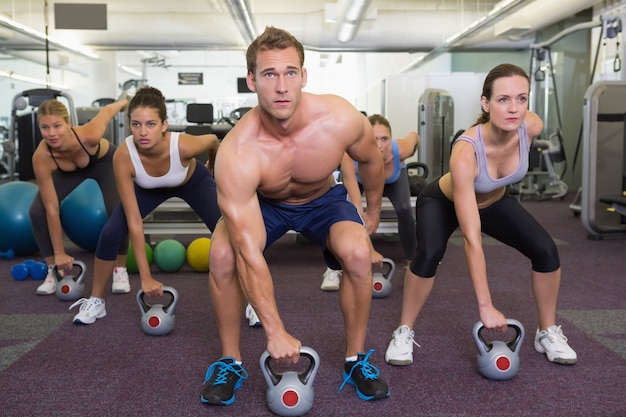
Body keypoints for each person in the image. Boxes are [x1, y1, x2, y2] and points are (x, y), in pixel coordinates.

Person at [201, 26, 389, 406]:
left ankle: (355, 359)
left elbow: (371, 160)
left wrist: (372, 210)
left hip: (324, 200)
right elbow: (248, 254)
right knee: (222, 255)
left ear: (304, 76)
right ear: (252, 80)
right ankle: (230, 361)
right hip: (264, 204)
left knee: (356, 253)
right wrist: (275, 331)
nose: (282, 86)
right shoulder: (238, 151)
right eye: (269, 75)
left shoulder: (338, 117)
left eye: (290, 73)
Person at [384, 63, 577, 367]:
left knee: (546, 250)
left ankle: (547, 331)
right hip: (442, 202)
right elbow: (472, 239)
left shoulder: (532, 126)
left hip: (496, 202)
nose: (514, 108)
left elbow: (524, 124)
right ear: (486, 104)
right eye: (503, 100)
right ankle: (403, 330)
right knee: (428, 254)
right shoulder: (466, 151)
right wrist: (485, 306)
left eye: (521, 98)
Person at [69, 86, 221, 324]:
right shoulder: (124, 156)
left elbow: (213, 140)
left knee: (228, 232)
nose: (142, 132)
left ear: (164, 125)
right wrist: (146, 277)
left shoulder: (184, 146)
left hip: (191, 181)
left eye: (150, 124)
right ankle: (96, 301)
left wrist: (212, 167)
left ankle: (252, 302)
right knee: (110, 233)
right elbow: (134, 221)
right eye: (136, 124)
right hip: (147, 188)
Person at [30, 98, 130, 296]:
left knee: (118, 209)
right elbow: (52, 208)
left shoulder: (90, 134)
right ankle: (53, 270)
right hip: (66, 172)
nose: (51, 133)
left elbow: (108, 110)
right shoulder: (42, 157)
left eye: (57, 125)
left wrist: (126, 101)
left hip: (103, 164)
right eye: (45, 127)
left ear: (68, 123)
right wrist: (59, 252)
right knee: (37, 211)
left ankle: (120, 269)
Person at [320, 114, 420, 291]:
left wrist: (414, 143)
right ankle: (333, 268)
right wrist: (369, 248)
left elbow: (414, 135)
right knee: (343, 210)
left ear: (391, 138)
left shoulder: (402, 150)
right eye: (374, 139)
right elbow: (357, 207)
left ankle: (412, 267)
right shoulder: (350, 156)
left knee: (405, 209)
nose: (380, 145)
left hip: (392, 179)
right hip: (360, 179)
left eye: (385, 139)